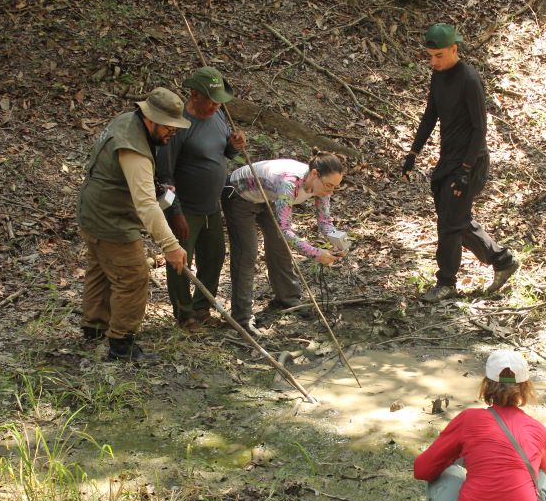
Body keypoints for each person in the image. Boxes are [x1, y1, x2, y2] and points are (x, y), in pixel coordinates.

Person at [401, 23, 519, 302]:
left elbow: (480, 128)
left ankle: (446, 283)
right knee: (454, 219)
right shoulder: (438, 75)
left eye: (439, 55)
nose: (434, 61)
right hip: (448, 160)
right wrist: (413, 153)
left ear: (454, 49)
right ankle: (502, 260)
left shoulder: (469, 80)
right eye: (430, 56)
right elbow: (430, 115)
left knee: (450, 224)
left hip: (470, 161)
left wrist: (466, 171)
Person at [413, 350, 546, 501]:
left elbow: (422, 469)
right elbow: (533, 483)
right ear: (525, 388)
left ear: (486, 385)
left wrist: (461, 461)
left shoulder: (469, 420)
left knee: (448, 472)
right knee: (540, 479)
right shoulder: (539, 430)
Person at [76, 87, 189, 362]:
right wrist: (171, 246)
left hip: (92, 209)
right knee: (134, 276)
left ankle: (94, 327)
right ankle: (121, 344)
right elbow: (146, 205)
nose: (171, 133)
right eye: (168, 128)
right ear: (150, 119)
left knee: (100, 270)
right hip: (110, 219)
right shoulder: (134, 147)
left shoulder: (127, 120)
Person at [156, 67, 246, 330]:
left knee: (214, 257)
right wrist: (176, 212)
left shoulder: (218, 115)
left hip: (211, 207)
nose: (216, 105)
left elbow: (225, 151)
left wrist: (235, 144)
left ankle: (201, 306)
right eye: (210, 99)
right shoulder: (179, 124)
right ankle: (184, 315)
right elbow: (164, 175)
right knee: (181, 262)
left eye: (219, 100)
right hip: (186, 209)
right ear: (194, 95)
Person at [222, 151, 347, 336]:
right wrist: (316, 253)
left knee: (279, 247)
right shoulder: (289, 183)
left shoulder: (322, 186)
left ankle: (288, 299)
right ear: (314, 174)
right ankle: (242, 318)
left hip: (269, 197)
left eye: (335, 187)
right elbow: (285, 230)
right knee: (247, 253)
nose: (331, 191)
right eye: (329, 185)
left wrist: (340, 243)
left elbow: (325, 223)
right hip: (239, 194)